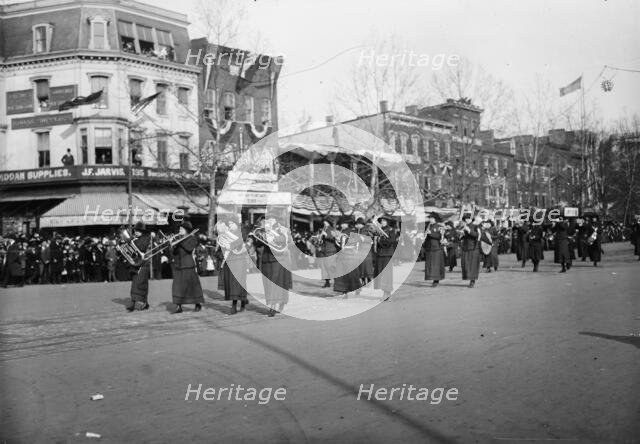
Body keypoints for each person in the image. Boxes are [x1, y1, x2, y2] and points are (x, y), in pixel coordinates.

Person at [256, 217, 292, 317]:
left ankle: (274, 306)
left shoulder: (280, 229)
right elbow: (259, 245)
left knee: (275, 283)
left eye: (270, 219)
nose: (268, 221)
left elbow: (284, 240)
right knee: (267, 283)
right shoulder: (264, 230)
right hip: (266, 260)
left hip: (277, 260)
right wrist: (260, 235)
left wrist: (271, 237)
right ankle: (272, 304)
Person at [171, 221, 204, 313]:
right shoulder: (179, 239)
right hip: (179, 266)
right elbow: (174, 253)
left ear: (186, 230)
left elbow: (189, 249)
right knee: (177, 286)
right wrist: (173, 245)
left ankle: (197, 303)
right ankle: (178, 306)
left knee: (192, 286)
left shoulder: (192, 239)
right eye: (179, 228)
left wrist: (179, 241)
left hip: (188, 265)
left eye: (181, 229)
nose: (179, 230)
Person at [218, 219, 248, 315]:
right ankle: (241, 300)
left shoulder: (241, 232)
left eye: (231, 223)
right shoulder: (227, 234)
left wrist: (229, 245)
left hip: (239, 261)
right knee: (231, 283)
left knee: (237, 282)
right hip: (230, 260)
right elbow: (222, 246)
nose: (230, 226)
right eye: (229, 224)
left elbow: (240, 241)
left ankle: (235, 305)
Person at [127, 222, 151, 312]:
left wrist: (131, 242)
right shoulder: (136, 238)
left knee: (141, 284)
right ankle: (133, 302)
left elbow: (142, 247)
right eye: (135, 230)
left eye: (138, 231)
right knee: (135, 284)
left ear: (143, 231)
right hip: (136, 263)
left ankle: (144, 302)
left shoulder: (146, 238)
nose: (136, 232)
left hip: (143, 264)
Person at [333, 217, 361, 297]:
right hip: (342, 254)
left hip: (350, 254)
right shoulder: (340, 231)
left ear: (347, 224)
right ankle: (343, 290)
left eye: (344, 224)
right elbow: (339, 244)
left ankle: (356, 287)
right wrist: (337, 239)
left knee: (352, 274)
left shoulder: (351, 231)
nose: (343, 225)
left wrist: (344, 237)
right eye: (342, 224)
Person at [374, 215, 397, 301]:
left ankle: (387, 293)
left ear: (387, 222)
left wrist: (380, 241)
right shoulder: (380, 230)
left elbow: (391, 241)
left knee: (387, 275)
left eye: (384, 221)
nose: (382, 222)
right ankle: (386, 293)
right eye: (381, 221)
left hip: (387, 254)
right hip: (380, 254)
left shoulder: (391, 230)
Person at [423, 213, 446, 287]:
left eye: (431, 218)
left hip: (436, 248)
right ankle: (431, 277)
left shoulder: (439, 226)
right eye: (429, 218)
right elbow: (426, 237)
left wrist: (431, 234)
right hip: (429, 248)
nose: (430, 219)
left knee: (436, 265)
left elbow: (440, 237)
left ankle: (436, 280)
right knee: (430, 265)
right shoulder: (428, 226)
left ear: (435, 219)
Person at [460, 214, 481, 288]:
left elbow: (477, 235)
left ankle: (472, 280)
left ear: (471, 219)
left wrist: (469, 231)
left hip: (473, 248)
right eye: (466, 219)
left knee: (472, 265)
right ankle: (468, 277)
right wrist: (461, 234)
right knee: (466, 264)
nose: (467, 220)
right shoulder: (463, 227)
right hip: (465, 247)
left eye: (468, 219)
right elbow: (461, 237)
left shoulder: (476, 226)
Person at [316, 219, 338, 288]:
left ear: (329, 223)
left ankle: (337, 282)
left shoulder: (332, 229)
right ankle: (327, 282)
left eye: (325, 222)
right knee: (324, 267)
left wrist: (326, 235)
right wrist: (319, 242)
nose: (324, 223)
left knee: (331, 267)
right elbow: (322, 241)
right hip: (324, 251)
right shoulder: (323, 229)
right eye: (324, 222)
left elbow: (334, 238)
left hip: (331, 250)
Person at [355, 218, 374, 286]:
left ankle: (368, 279)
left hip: (366, 250)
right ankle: (363, 280)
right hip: (360, 250)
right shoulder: (358, 231)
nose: (357, 225)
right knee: (361, 267)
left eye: (358, 224)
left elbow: (371, 240)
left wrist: (362, 238)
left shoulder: (367, 229)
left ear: (361, 224)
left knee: (366, 266)